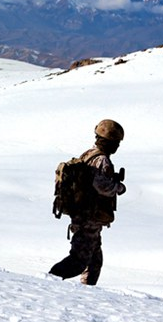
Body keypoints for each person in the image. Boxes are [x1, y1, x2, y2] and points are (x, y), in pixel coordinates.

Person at [49, 119, 127, 285]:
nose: (117, 146)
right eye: (116, 143)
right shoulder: (102, 160)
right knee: (79, 261)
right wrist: (119, 187)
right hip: (89, 217)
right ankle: (48, 282)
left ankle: (87, 293)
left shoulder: (88, 154)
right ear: (110, 141)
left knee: (94, 261)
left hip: (85, 215)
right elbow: (102, 186)